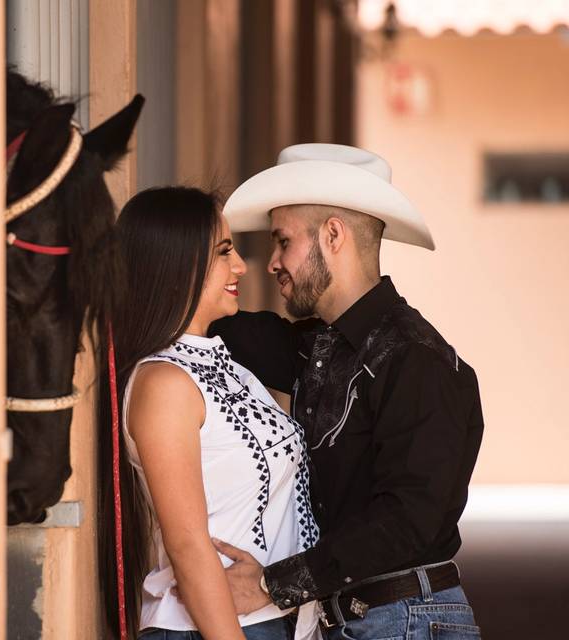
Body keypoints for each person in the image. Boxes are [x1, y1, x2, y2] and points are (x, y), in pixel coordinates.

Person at [209, 144, 485, 639]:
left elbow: (409, 518)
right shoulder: (317, 347)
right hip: (365, 620)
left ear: (332, 235)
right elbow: (208, 324)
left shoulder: (418, 358)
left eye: (283, 242)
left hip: (408, 622)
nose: (271, 263)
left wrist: (273, 586)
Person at [97, 187, 321, 640]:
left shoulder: (228, 366)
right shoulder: (164, 383)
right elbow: (187, 543)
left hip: (267, 622)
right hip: (208, 629)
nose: (241, 265)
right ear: (177, 264)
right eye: (224, 251)